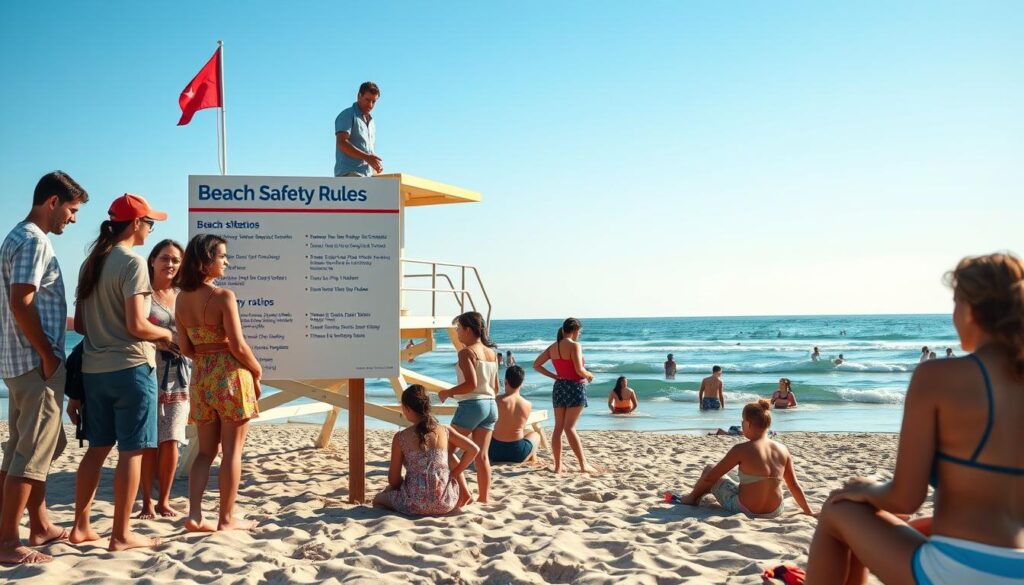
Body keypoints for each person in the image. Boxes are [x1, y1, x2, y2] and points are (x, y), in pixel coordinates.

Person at [805, 252, 1024, 584]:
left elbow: (906, 498)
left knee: (839, 509)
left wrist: (867, 489)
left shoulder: (938, 376)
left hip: (959, 570)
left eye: (955, 304)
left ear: (970, 310)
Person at [68, 193, 169, 551]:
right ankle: (121, 534)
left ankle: (80, 527)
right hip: (131, 368)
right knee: (132, 451)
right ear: (137, 223)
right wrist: (167, 335)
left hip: (95, 371)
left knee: (97, 448)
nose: (151, 229)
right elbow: (138, 325)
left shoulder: (90, 263)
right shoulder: (133, 262)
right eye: (150, 222)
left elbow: (80, 324)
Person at [0, 171, 87, 564]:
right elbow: (22, 301)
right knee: (32, 453)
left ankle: (38, 525)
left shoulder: (16, 236)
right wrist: (49, 355)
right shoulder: (34, 240)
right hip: (35, 364)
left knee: (27, 449)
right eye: (71, 210)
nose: (73, 218)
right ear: (52, 202)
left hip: (17, 362)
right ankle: (6, 541)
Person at [174, 234, 261, 532]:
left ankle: (195, 515)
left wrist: (205, 352)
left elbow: (184, 348)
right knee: (232, 453)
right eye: (222, 256)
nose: (226, 261)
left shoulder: (181, 298)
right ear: (205, 261)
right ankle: (225, 518)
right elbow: (238, 345)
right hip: (229, 376)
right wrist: (257, 369)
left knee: (204, 453)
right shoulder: (224, 296)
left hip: (201, 377)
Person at [677, 400, 813, 518]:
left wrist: (693, 494)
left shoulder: (741, 449)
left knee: (710, 469)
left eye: (742, 422)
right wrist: (808, 511)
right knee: (738, 476)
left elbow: (710, 478)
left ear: (748, 424)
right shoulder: (783, 449)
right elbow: (794, 485)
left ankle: (692, 499)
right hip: (775, 511)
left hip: (747, 509)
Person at [137, 240, 189, 519]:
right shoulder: (143, 293)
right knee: (149, 440)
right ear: (153, 260)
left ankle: (164, 500)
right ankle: (146, 501)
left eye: (176, 260)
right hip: (148, 369)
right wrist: (163, 339)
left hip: (180, 374)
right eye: (165, 258)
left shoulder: (183, 294)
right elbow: (134, 327)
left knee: (172, 439)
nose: (170, 264)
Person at [373, 385, 479, 516]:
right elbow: (474, 449)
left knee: (378, 499)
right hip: (445, 502)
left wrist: (402, 487)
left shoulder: (400, 437)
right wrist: (455, 473)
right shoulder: (445, 430)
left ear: (407, 409)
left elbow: (393, 479)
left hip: (414, 504)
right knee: (449, 456)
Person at [437, 311, 498, 504]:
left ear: (468, 329)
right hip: (490, 405)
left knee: (446, 451)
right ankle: (484, 498)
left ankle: (464, 493)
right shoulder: (491, 354)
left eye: (458, 329)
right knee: (482, 455)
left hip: (472, 405)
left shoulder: (466, 352)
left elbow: (470, 384)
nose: (457, 333)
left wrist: (448, 392)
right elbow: (496, 387)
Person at [533, 318, 596, 473]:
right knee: (570, 428)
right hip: (575, 386)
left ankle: (558, 466)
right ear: (575, 330)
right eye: (579, 332)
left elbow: (536, 365)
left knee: (559, 428)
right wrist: (589, 375)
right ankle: (583, 464)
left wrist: (555, 376)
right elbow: (579, 369)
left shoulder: (553, 347)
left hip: (560, 387)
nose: (579, 335)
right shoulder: (575, 345)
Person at [489, 366, 541, 464]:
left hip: (495, 453)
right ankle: (533, 458)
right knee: (535, 435)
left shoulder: (497, 400)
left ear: (505, 382)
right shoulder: (527, 404)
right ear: (521, 384)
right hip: (517, 453)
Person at [334, 81, 382, 177]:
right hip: (350, 174)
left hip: (367, 176)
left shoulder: (371, 122)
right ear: (359, 96)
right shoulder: (347, 115)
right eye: (367, 100)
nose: (370, 105)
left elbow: (367, 151)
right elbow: (341, 143)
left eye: (374, 101)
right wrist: (367, 157)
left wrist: (375, 163)